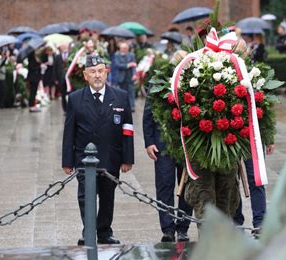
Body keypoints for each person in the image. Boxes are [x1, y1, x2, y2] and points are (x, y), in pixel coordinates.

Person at [62, 55, 134, 245]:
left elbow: (127, 129)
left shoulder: (120, 96)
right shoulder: (76, 99)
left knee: (107, 197)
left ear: (106, 73)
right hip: (84, 158)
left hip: (111, 156)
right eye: (92, 72)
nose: (97, 75)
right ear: (85, 75)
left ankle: (104, 232)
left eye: (100, 71)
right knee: (86, 197)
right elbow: (69, 131)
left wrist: (128, 159)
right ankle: (89, 232)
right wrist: (67, 161)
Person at [143, 99, 193, 242]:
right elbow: (148, 113)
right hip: (162, 142)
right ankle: (168, 229)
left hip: (186, 140)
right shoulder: (158, 77)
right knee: (164, 183)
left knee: (187, 185)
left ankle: (183, 227)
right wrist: (149, 142)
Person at [115, 42, 137, 112]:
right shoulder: (117, 55)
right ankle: (123, 106)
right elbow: (118, 65)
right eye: (123, 48)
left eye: (126, 48)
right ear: (120, 49)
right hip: (121, 77)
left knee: (131, 91)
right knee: (122, 92)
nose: (124, 49)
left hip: (130, 76)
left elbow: (134, 66)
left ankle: (132, 106)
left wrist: (134, 74)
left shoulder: (131, 55)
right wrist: (128, 65)